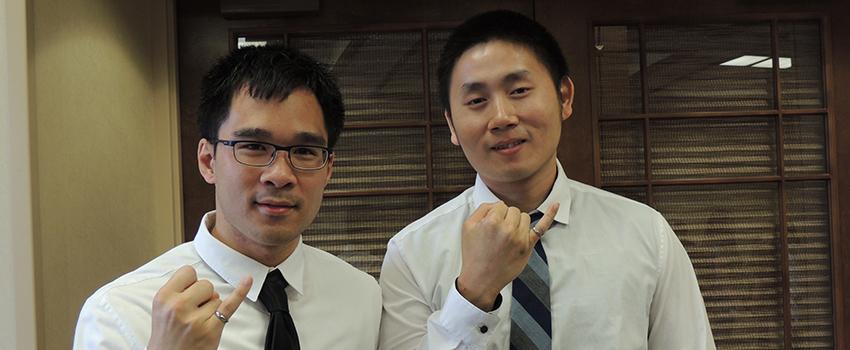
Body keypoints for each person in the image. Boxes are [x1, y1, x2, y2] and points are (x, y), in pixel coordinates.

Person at [379, 10, 715, 349]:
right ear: (452, 125)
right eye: (477, 101)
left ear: (564, 97)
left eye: (520, 90)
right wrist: (473, 293)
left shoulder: (646, 234)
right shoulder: (411, 254)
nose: (502, 117)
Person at [74, 45, 381, 349]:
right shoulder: (123, 313)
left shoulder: (361, 298)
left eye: (304, 151)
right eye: (254, 146)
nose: (280, 175)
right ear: (209, 161)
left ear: (328, 170)